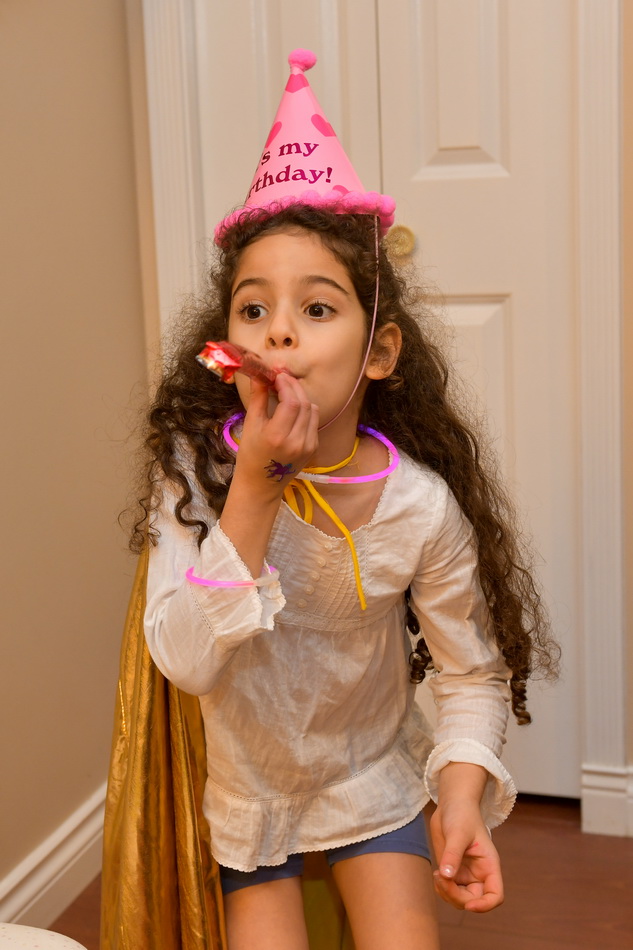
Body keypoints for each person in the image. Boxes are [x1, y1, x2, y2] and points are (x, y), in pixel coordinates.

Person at [131, 51, 554, 950]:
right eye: (253, 310)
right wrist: (254, 486)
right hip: (247, 791)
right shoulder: (197, 475)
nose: (279, 331)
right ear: (225, 344)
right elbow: (186, 665)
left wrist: (462, 796)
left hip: (368, 778)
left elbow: (469, 674)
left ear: (379, 352)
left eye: (317, 309)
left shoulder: (418, 509)